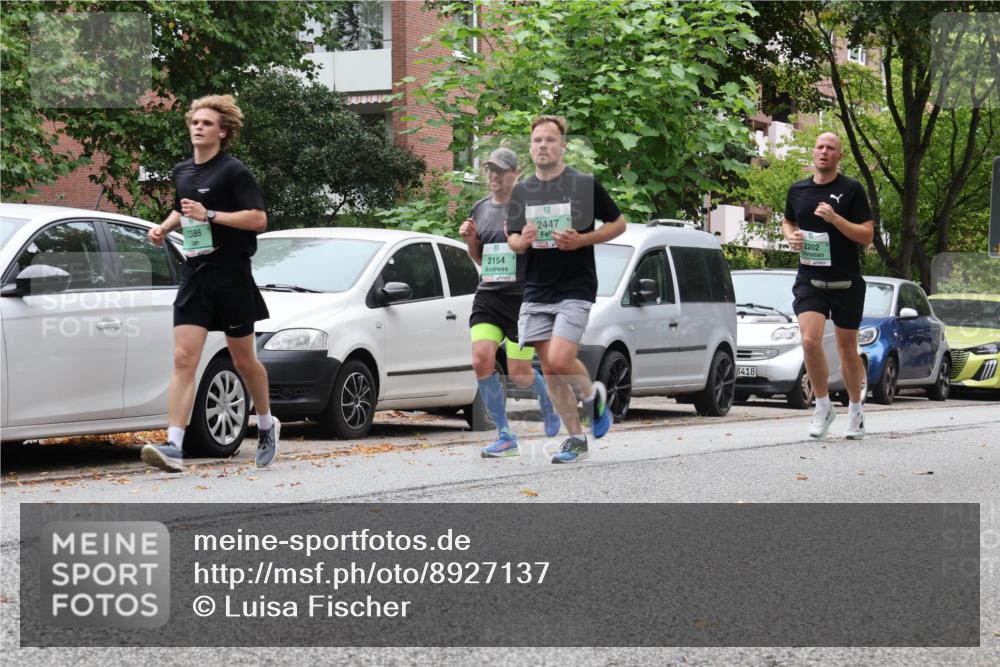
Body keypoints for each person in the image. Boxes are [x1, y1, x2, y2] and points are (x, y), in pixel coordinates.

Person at [141, 94, 279, 472]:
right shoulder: (183, 171)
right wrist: (163, 227)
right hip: (196, 273)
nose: (198, 127)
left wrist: (211, 214)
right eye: (195, 122)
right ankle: (174, 445)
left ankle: (266, 424)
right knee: (183, 357)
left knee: (243, 359)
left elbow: (258, 220)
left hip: (232, 274)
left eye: (206, 123)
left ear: (223, 131)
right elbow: (182, 206)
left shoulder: (234, 172)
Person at [506, 116, 626, 463]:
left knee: (560, 358)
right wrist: (522, 241)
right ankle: (575, 439)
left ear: (563, 146)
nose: (542, 145)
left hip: (575, 286)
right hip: (536, 289)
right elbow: (512, 238)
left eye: (549, 140)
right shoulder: (522, 191)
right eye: (537, 140)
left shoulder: (583, 185)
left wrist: (582, 240)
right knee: (549, 367)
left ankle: (593, 398)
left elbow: (619, 224)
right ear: (531, 147)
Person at [459, 148, 561, 458]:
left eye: (500, 170)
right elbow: (480, 258)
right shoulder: (480, 208)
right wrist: (470, 240)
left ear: (514, 174)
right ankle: (504, 434)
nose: (493, 175)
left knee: (519, 372)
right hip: (488, 295)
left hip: (521, 297)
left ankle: (548, 403)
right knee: (481, 361)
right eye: (490, 169)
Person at [782, 132, 874, 440]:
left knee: (847, 349)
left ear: (839, 156)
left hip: (845, 281)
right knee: (810, 341)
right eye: (820, 147)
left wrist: (835, 219)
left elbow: (867, 235)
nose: (824, 151)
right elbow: (788, 221)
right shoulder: (798, 190)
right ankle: (822, 406)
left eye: (830, 148)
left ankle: (856, 410)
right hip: (810, 279)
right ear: (813, 153)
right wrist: (791, 237)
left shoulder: (851, 189)